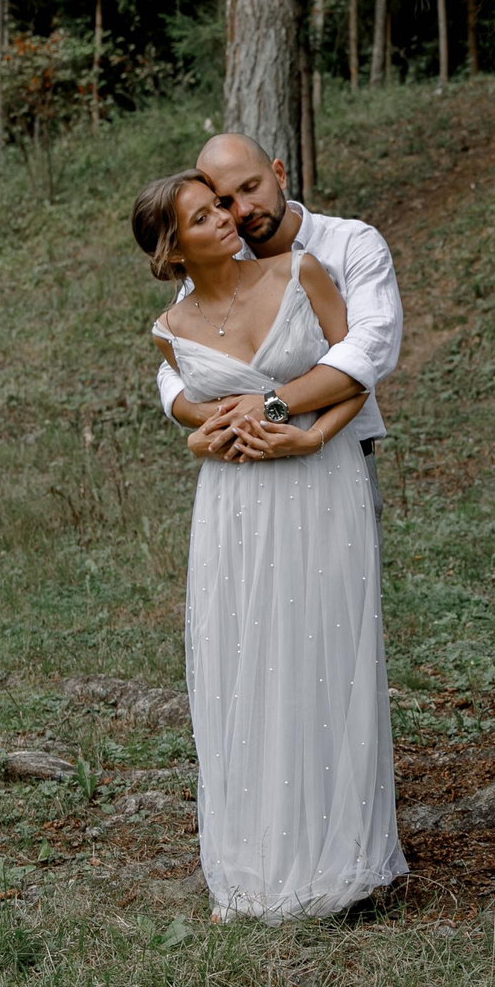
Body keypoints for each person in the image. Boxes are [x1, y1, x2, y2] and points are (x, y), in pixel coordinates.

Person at [133, 167, 409, 921]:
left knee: (326, 652)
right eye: (203, 216)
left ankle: (345, 863)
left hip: (318, 480)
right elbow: (188, 406)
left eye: (223, 203)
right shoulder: (169, 328)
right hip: (234, 505)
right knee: (243, 661)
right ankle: (253, 865)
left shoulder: (303, 268)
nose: (226, 217)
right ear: (174, 250)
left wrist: (309, 435)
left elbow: (357, 372)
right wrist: (201, 438)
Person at [157, 133, 401, 471]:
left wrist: (272, 406)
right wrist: (209, 420)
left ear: (279, 174)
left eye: (251, 187)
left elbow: (368, 352)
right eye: (224, 201)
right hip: (245, 465)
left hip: (341, 454)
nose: (241, 211)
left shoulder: (352, 244)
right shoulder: (218, 262)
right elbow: (179, 363)